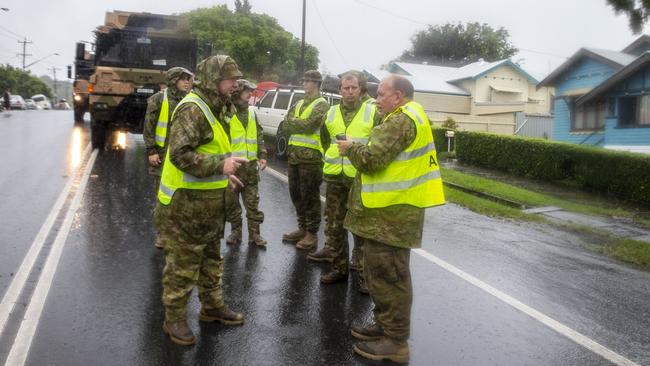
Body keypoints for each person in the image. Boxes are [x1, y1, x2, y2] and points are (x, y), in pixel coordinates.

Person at [337, 75, 445, 363]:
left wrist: (351, 149)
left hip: (392, 216)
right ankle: (384, 327)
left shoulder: (401, 120)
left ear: (398, 96)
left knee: (390, 276)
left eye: (382, 94)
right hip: (388, 214)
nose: (376, 99)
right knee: (380, 273)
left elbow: (372, 160)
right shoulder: (406, 116)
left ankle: (395, 342)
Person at [153, 55, 248, 346]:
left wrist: (223, 175)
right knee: (182, 266)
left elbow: (209, 148)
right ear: (212, 79)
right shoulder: (194, 108)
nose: (234, 84)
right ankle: (175, 319)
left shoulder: (215, 106)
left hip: (208, 204)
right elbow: (180, 155)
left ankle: (212, 307)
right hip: (185, 206)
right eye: (229, 79)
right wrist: (221, 165)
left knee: (211, 260)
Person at [306, 71, 380, 293]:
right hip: (335, 179)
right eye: (345, 88)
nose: (349, 92)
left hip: (360, 178)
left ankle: (363, 274)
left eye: (353, 88)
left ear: (360, 90)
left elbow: (376, 144)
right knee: (334, 225)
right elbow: (325, 139)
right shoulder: (330, 113)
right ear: (339, 91)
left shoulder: (372, 112)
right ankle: (339, 269)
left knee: (361, 228)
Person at [143, 67, 194, 248]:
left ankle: (178, 232)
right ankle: (163, 234)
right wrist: (152, 151)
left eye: (188, 79)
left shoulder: (189, 100)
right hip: (162, 156)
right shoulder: (159, 99)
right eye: (183, 79)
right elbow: (149, 127)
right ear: (173, 80)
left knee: (182, 195)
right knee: (163, 197)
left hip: (181, 156)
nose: (187, 82)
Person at [281, 70, 330, 250]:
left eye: (308, 81)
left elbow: (310, 125)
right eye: (304, 81)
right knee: (295, 194)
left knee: (310, 196)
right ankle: (302, 228)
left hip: (311, 159)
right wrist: (296, 123)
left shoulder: (322, 104)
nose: (304, 84)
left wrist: (295, 122)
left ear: (316, 83)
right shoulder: (299, 102)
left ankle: (312, 233)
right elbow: (286, 124)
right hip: (294, 157)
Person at [224, 79, 268, 247]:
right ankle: (236, 232)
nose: (250, 94)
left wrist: (262, 154)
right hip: (233, 169)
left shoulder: (251, 113)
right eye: (247, 91)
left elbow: (258, 135)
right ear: (238, 91)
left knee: (252, 204)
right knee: (232, 204)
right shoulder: (227, 112)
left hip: (250, 169)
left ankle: (255, 235)